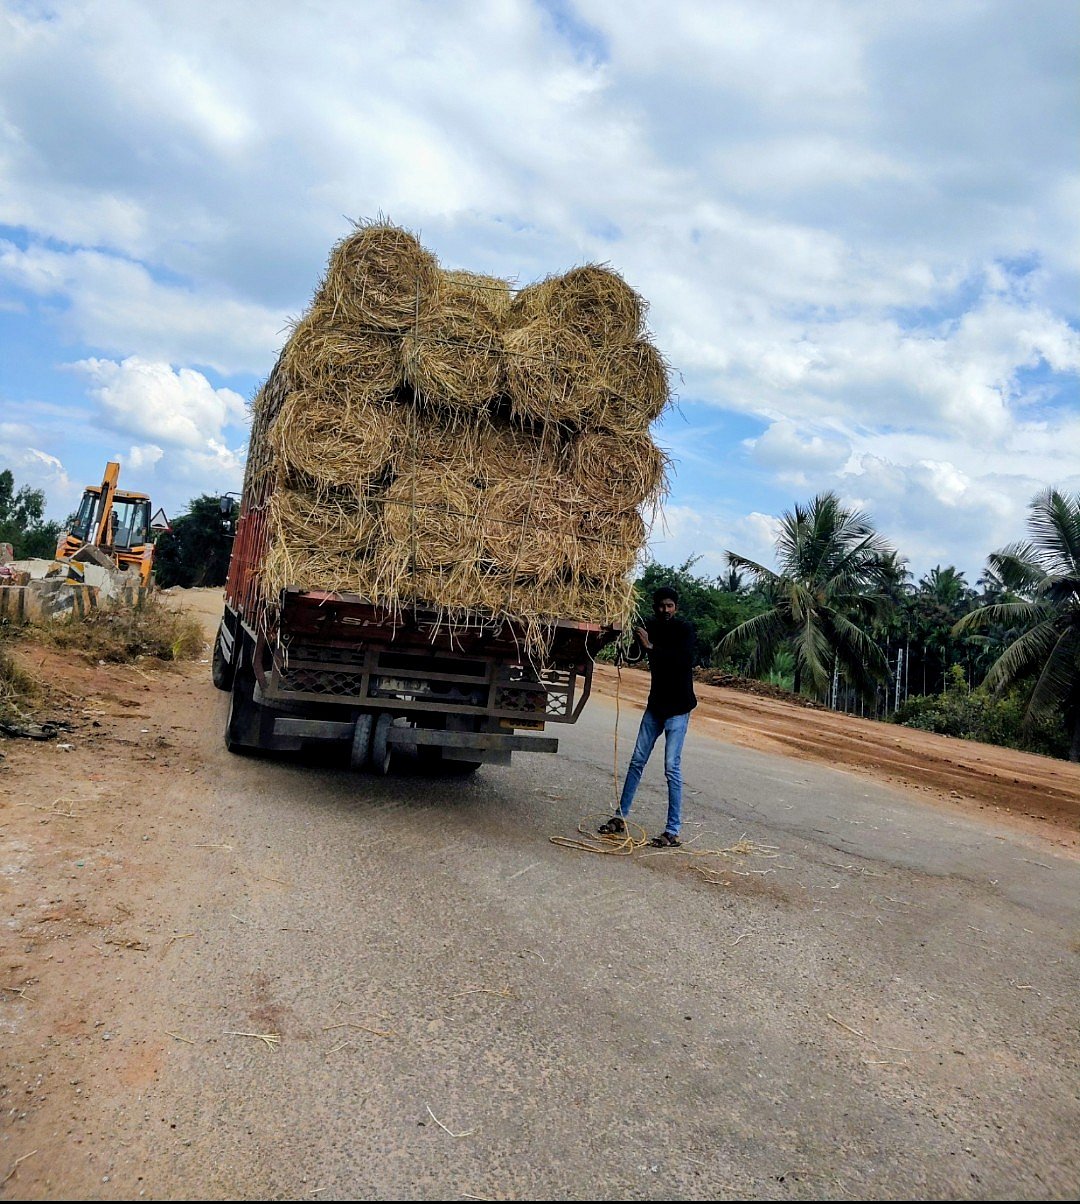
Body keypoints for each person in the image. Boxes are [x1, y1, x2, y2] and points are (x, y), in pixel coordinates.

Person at [599, 585, 697, 847]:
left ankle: (672, 831)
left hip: (678, 708)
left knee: (671, 767)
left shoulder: (684, 630)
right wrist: (627, 639)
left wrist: (650, 646)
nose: (665, 610)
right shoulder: (651, 627)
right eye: (661, 606)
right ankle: (620, 817)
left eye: (670, 606)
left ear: (676, 607)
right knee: (636, 761)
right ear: (655, 607)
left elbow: (681, 660)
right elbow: (635, 656)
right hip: (656, 706)